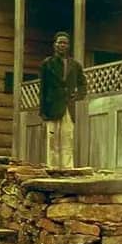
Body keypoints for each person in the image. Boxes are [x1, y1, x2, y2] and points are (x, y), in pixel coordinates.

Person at [39, 31, 87, 168]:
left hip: (68, 107)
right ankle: (52, 168)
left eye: (65, 43)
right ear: (54, 45)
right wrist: (43, 111)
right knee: (53, 139)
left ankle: (67, 168)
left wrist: (78, 95)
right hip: (52, 106)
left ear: (68, 46)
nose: (62, 45)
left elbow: (83, 84)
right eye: (59, 42)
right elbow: (43, 89)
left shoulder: (75, 65)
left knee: (67, 138)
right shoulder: (47, 64)